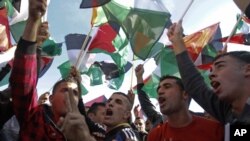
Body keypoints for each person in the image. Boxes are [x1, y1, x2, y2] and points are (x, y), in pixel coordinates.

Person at [9, 0, 95, 140]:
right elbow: (24, 80)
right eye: (64, 90)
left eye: (74, 92)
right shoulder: (34, 117)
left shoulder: (88, 133)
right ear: (51, 98)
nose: (70, 96)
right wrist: (33, 20)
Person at [167, 21, 250, 125]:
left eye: (220, 66)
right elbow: (195, 85)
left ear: (247, 70)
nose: (211, 75)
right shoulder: (226, 113)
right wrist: (177, 41)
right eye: (211, 70)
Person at [147, 75, 224, 141]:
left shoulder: (215, 130)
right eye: (158, 89)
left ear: (185, 94)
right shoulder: (155, 136)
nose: (160, 91)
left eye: (167, 86)